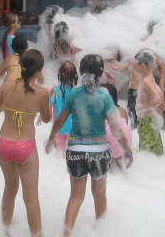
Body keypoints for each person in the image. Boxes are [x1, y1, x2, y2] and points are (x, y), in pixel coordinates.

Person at [45, 54, 133, 237]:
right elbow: (116, 128)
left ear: (80, 71)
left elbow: (59, 121)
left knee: (76, 196)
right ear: (101, 74)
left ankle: (67, 232)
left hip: (75, 151)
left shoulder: (74, 95)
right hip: (98, 153)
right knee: (99, 195)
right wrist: (127, 149)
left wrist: (51, 139)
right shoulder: (104, 97)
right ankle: (101, 231)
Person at [0, 49, 51, 237]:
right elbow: (46, 119)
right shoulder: (42, 93)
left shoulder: (6, 86)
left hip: (3, 144)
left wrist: (8, 106)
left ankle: (4, 230)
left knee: (9, 189)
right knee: (30, 198)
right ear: (39, 70)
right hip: (25, 147)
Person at [135, 50, 164, 156]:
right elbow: (159, 95)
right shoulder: (149, 77)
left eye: (135, 64)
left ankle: (148, 169)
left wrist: (144, 106)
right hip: (150, 118)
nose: (134, 67)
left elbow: (157, 99)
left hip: (146, 120)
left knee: (146, 148)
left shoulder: (146, 81)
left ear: (142, 66)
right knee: (154, 146)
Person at [100, 83, 133, 169]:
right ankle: (120, 165)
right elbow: (125, 127)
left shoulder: (101, 112)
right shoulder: (122, 110)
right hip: (127, 144)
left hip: (113, 144)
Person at [50, 61, 78, 152]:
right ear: (75, 77)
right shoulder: (76, 92)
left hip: (59, 128)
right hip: (72, 129)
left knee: (60, 149)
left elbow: (49, 103)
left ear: (60, 75)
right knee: (72, 148)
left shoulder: (57, 90)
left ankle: (59, 160)